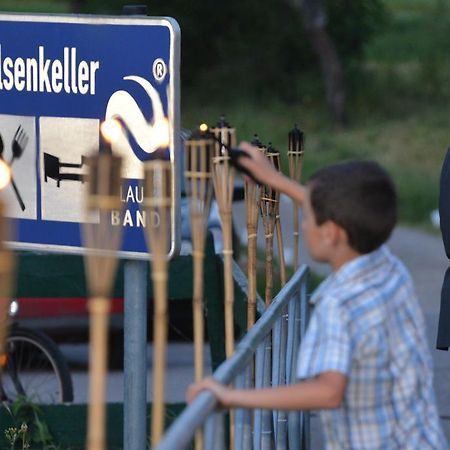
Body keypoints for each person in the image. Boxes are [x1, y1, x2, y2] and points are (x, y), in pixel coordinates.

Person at [187, 143, 448, 449]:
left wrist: (230, 395)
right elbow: (340, 214)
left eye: (308, 218)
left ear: (331, 232)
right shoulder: (388, 268)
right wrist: (273, 179)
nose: (303, 222)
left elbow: (328, 391)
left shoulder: (339, 302)